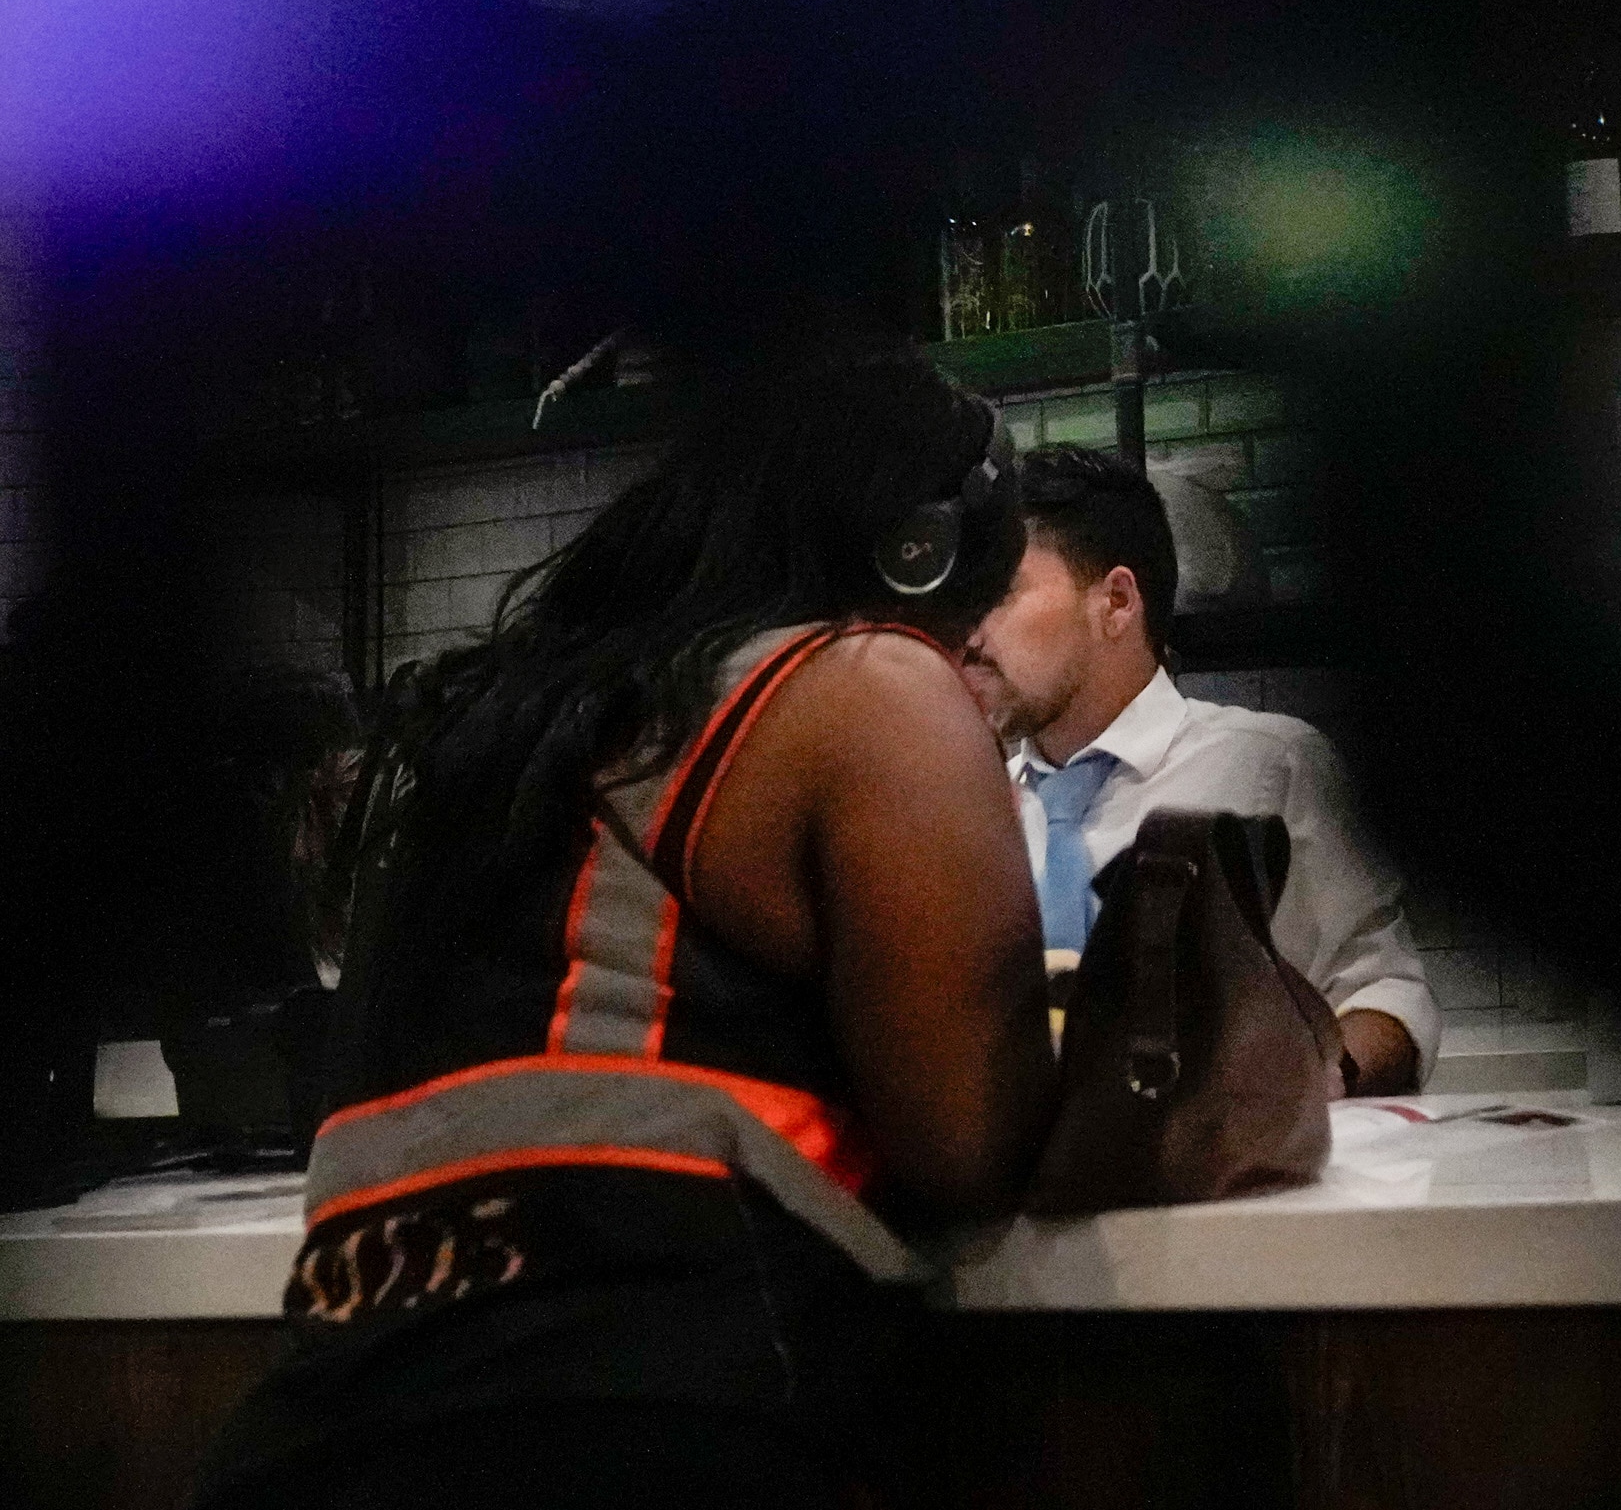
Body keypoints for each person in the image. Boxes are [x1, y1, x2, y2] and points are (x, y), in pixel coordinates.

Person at [193, 357, 1056, 1510]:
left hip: (303, 1444)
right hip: (658, 1417)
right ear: (920, 553)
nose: (959, 652)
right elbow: (972, 1141)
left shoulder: (486, 729)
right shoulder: (863, 680)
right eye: (964, 612)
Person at [960, 443, 1439, 1094]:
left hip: (1218, 1180)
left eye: (999, 593)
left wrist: (1315, 1080)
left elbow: (1380, 988)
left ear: (1118, 602)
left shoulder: (1267, 765)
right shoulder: (966, 809)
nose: (969, 633)